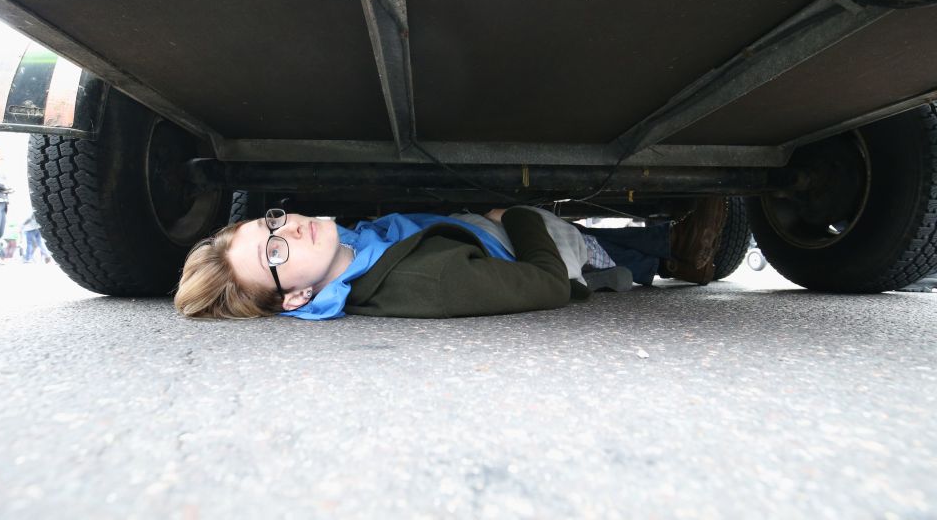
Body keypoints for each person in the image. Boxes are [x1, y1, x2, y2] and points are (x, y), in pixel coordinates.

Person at [174, 200, 726, 320]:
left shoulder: (348, 252)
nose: (288, 227)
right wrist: (516, 216)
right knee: (580, 243)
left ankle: (670, 248)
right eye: (275, 250)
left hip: (472, 234)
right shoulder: (431, 282)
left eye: (270, 222)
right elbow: (548, 284)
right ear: (296, 297)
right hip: (525, 248)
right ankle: (673, 251)